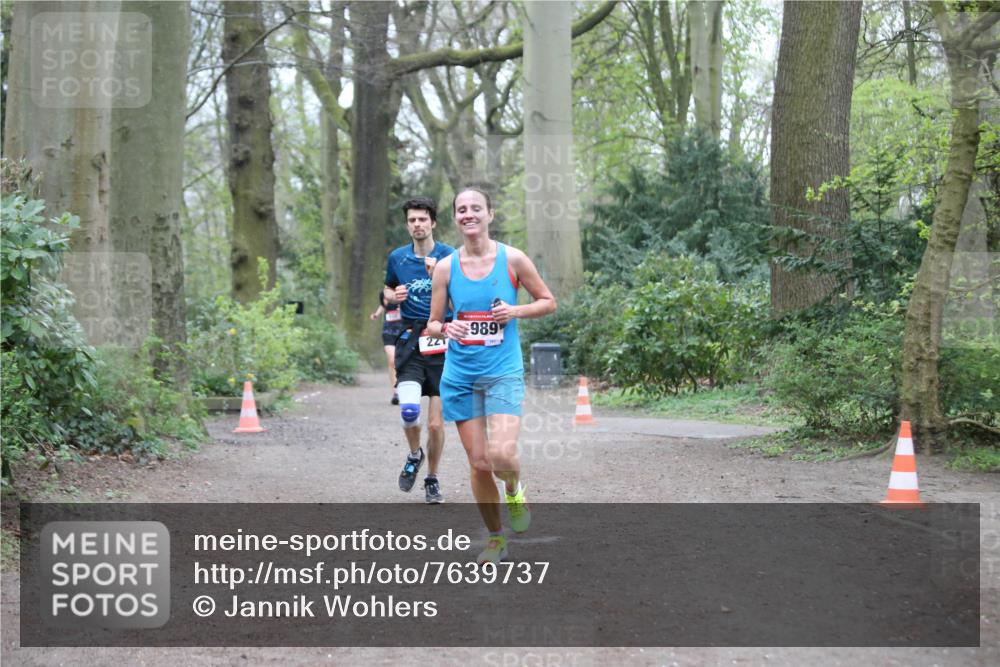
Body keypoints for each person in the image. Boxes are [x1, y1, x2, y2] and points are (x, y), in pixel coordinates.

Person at [427, 187, 556, 564]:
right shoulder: (446, 267)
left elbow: (548, 302)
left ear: (490, 214)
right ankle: (496, 539)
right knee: (480, 463)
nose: (468, 214)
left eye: (476, 208)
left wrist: (514, 312)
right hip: (461, 376)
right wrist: (446, 328)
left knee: (501, 454)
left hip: (502, 372)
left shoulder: (512, 259)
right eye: (461, 209)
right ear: (455, 217)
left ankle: (514, 490)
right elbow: (432, 323)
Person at [384, 197, 455, 504]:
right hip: (411, 342)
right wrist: (392, 296)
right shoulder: (397, 258)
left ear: (433, 222)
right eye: (412, 220)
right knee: (410, 412)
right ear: (407, 225)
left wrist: (439, 274)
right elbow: (387, 290)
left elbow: (461, 299)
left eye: (422, 219)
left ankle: (432, 479)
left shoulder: (449, 256)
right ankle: (415, 454)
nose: (417, 224)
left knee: (436, 423)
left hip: (443, 343)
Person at [369, 292, 404, 405]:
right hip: (388, 331)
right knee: (392, 360)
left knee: (403, 361)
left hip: (403, 331)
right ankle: (396, 392)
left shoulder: (404, 290)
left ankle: (405, 388)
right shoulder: (385, 293)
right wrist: (376, 314)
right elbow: (383, 305)